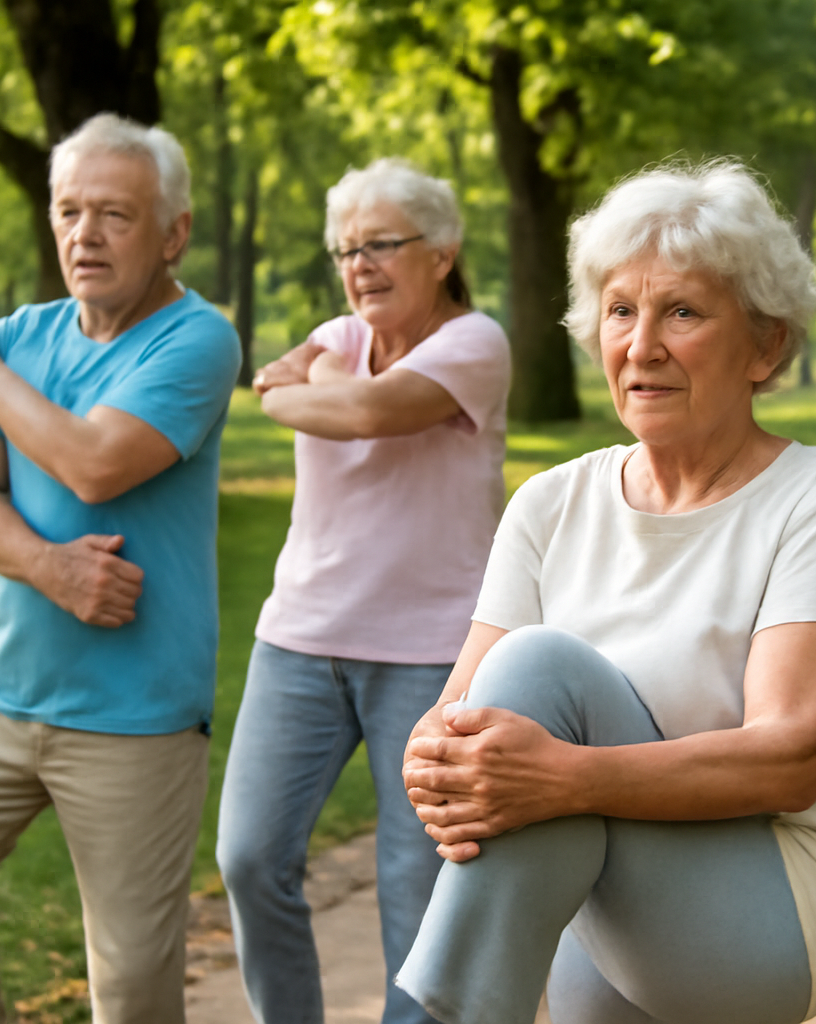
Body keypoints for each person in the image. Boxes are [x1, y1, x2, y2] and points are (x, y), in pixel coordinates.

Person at [393, 160, 816, 1024]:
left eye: (683, 312)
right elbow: (461, 727)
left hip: (771, 904)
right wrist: (437, 763)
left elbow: (790, 760)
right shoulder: (549, 505)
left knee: (539, 667)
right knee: (518, 692)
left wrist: (564, 779)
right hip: (595, 888)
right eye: (621, 312)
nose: (641, 346)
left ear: (766, 344)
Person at [0, 113, 240, 1024]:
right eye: (69, 211)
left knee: (130, 986)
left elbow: (94, 462)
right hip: (0, 694)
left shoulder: (196, 342)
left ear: (173, 233)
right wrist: (52, 569)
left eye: (115, 214)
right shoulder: (23, 335)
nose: (85, 234)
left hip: (135, 719)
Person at [215, 158, 510, 1024]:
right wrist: (301, 380)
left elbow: (371, 413)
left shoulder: (475, 343)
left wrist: (299, 382)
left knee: (414, 888)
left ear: (444, 252)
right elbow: (283, 392)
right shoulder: (339, 339)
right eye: (346, 250)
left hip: (428, 655)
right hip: (298, 642)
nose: (359, 266)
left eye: (382, 244)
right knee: (248, 856)